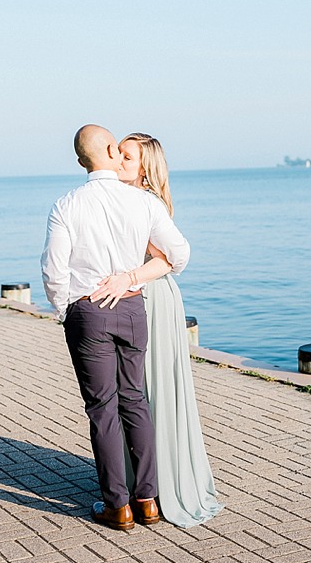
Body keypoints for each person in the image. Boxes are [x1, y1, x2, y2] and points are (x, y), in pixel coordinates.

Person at [41, 124, 190, 532]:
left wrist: (64, 310)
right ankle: (148, 501)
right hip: (132, 310)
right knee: (135, 402)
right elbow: (179, 253)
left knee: (102, 411)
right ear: (110, 150)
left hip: (89, 312)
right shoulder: (142, 202)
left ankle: (117, 506)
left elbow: (53, 270)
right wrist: (131, 279)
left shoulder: (66, 204)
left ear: (79, 160)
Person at [106, 132, 223, 527]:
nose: (118, 160)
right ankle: (141, 487)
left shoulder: (146, 202)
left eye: (127, 156)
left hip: (151, 299)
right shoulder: (119, 199)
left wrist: (129, 277)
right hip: (138, 298)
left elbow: (174, 258)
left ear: (144, 168)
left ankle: (156, 488)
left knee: (148, 390)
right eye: (117, 153)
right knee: (135, 392)